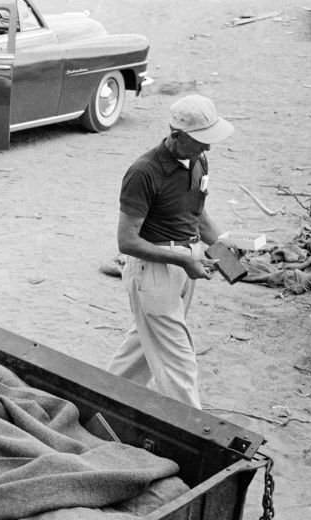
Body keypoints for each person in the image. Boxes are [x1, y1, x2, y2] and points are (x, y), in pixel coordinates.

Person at [106, 94, 234, 409]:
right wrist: (182, 258)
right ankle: (196, 435)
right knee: (178, 362)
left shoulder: (199, 161)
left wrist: (225, 252)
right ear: (176, 135)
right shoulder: (144, 172)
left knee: (139, 352)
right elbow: (127, 241)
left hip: (183, 267)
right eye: (200, 141)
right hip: (153, 271)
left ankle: (101, 400)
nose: (207, 147)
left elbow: (198, 216)